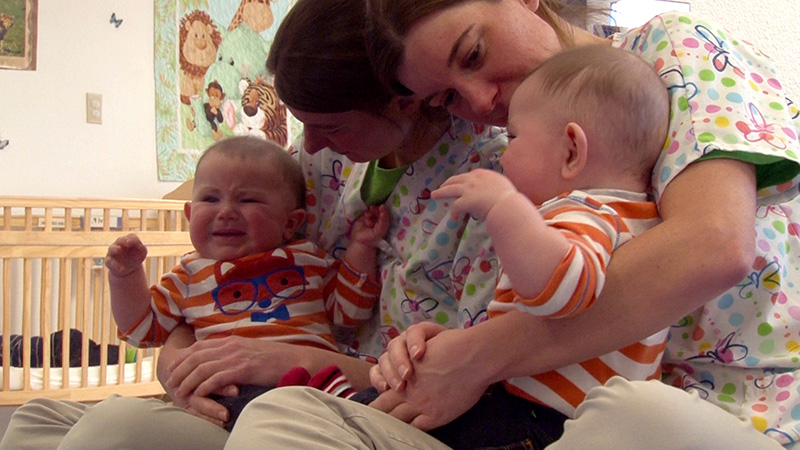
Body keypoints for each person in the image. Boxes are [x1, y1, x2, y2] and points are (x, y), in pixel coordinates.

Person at [222, 1, 799, 449]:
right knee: (285, 418)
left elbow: (714, 245)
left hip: (728, 413)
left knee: (637, 414)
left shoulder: (666, 53)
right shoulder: (513, 152)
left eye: (473, 53)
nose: (477, 100)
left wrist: (477, 354)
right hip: (555, 416)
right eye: (446, 96)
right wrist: (435, 350)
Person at [0, 0, 509, 448]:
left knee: (115, 432)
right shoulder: (318, 166)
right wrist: (179, 365)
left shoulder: (491, 184)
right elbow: (172, 322)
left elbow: (450, 376)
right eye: (302, 125)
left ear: (405, 98)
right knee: (40, 421)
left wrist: (280, 360)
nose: (307, 145)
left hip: (363, 402)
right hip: (242, 394)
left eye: (327, 125)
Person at [105, 134, 389, 431]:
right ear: (190, 214)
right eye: (210, 198)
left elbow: (350, 311)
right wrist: (125, 277)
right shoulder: (188, 275)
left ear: (290, 223)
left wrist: (362, 246)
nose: (225, 211)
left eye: (247, 199)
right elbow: (140, 329)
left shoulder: (307, 259)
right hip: (231, 393)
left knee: (363, 404)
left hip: (317, 385)